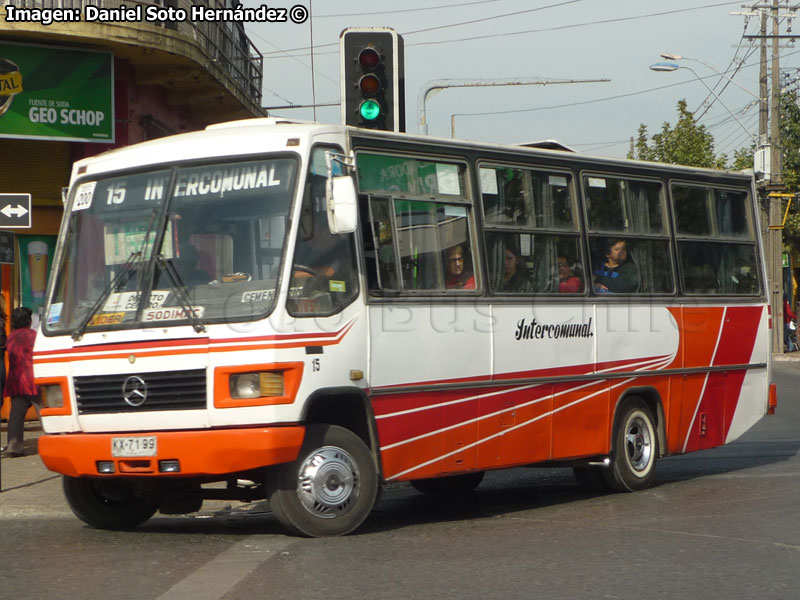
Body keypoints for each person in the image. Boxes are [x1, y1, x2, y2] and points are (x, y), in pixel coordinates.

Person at [2, 307, 39, 457]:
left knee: (16, 417)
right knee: (45, 413)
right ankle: (54, 442)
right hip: (33, 379)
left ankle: (14, 447)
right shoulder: (33, 335)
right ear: (29, 322)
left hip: (17, 381)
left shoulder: (10, 337)